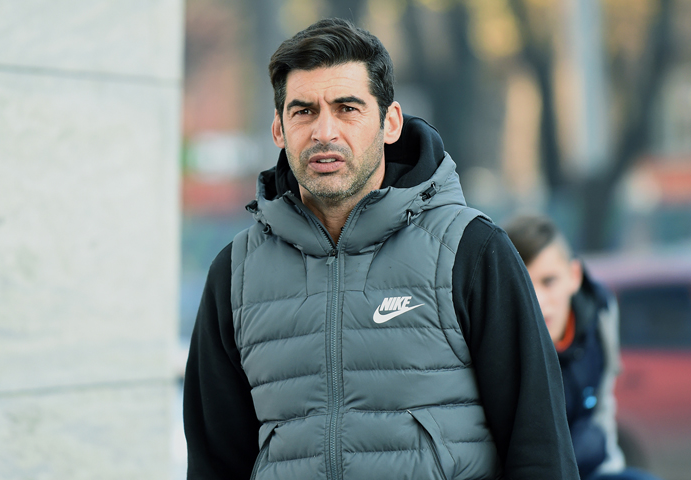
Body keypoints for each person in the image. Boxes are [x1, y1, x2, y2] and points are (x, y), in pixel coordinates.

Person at [184, 18, 579, 480]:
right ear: (278, 129)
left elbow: (540, 448)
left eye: (347, 108)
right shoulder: (236, 273)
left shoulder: (471, 250)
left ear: (389, 123)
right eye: (303, 111)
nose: (324, 131)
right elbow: (213, 464)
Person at [504, 214, 662, 480]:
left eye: (549, 281)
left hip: (592, 469)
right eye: (525, 285)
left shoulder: (601, 311)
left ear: (574, 275)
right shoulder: (499, 344)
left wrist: (611, 466)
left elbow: (603, 402)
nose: (538, 300)